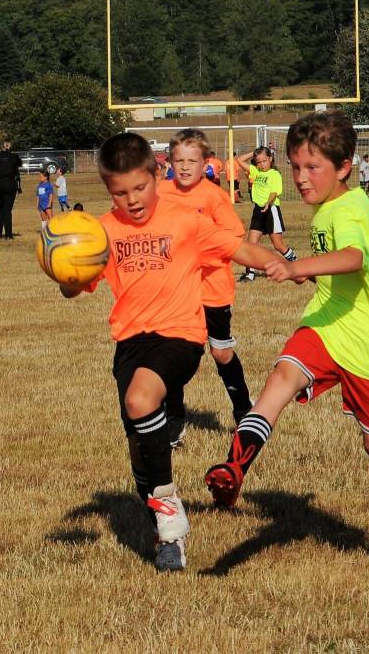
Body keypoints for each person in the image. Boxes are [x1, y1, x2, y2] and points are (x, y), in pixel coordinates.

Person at [204, 111, 369, 573]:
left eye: (313, 168)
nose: (300, 178)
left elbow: (352, 258)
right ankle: (235, 469)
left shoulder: (351, 208)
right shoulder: (328, 206)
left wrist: (297, 267)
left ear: (344, 167)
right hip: (328, 323)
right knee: (282, 377)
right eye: (295, 166)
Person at [59, 133, 277, 572]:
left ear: (156, 176)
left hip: (180, 334)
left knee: (140, 400)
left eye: (139, 188)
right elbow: (74, 289)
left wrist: (282, 264)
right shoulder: (102, 230)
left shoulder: (185, 220)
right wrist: (63, 269)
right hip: (130, 340)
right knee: (140, 445)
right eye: (120, 193)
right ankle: (166, 527)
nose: (132, 200)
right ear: (108, 191)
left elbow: (237, 248)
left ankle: (172, 521)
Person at [157, 128, 252, 446]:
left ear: (206, 163)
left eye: (192, 160)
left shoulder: (214, 196)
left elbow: (233, 238)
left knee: (221, 352)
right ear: (169, 161)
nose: (184, 167)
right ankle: (174, 421)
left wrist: (195, 246)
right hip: (175, 291)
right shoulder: (160, 192)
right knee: (171, 354)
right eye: (178, 160)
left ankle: (244, 413)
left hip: (212, 289)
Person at [235, 146, 296, 282]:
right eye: (259, 162)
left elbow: (274, 192)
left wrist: (268, 203)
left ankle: (296, 264)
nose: (261, 164)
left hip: (271, 209)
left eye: (264, 161)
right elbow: (238, 160)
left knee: (278, 245)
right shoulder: (256, 172)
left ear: (270, 159)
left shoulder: (274, 174)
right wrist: (255, 152)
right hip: (258, 210)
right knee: (251, 244)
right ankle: (250, 274)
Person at [0, 140, 23, 239]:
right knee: (7, 210)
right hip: (10, 184)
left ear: (1, 147)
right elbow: (18, 166)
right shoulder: (14, 157)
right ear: (10, 147)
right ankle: (8, 234)